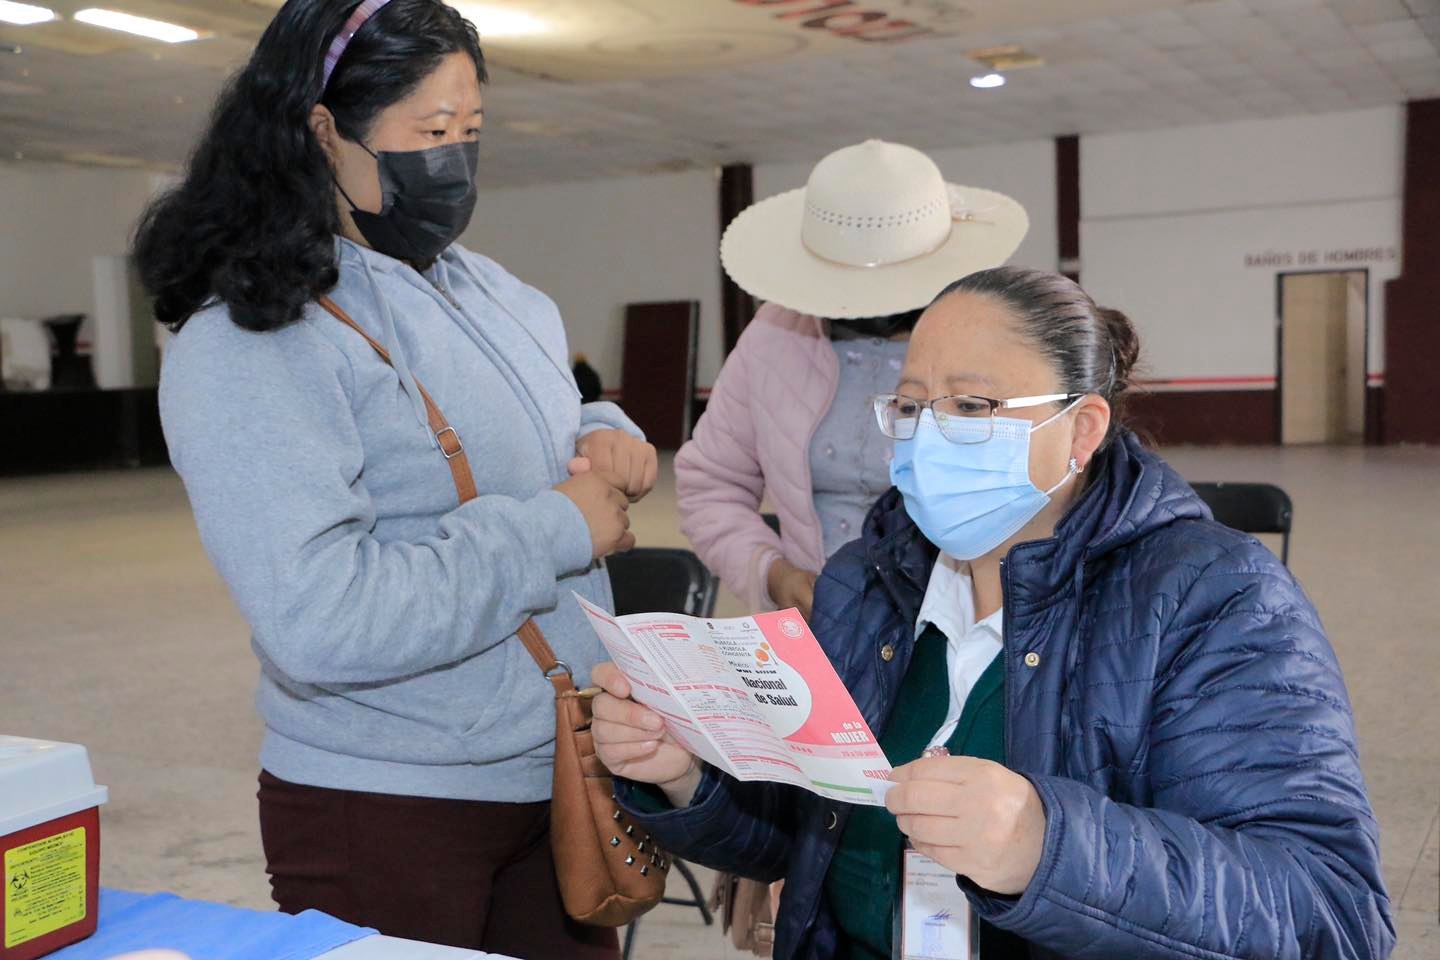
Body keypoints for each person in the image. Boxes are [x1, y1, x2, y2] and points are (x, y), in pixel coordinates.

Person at [591, 267, 1395, 959]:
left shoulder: (1210, 599)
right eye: (911, 408)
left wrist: (1049, 848)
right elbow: (812, 833)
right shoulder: (868, 583)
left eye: (973, 406)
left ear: (1081, 428)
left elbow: (1329, 910)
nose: (931, 435)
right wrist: (687, 773)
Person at [133, 1, 655, 955]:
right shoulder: (251, 340)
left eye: (472, 131)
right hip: (387, 800)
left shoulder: (494, 291)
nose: (454, 160)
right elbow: (320, 617)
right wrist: (557, 528)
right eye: (429, 132)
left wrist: (603, 430)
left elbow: (535, 416)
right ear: (321, 128)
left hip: (556, 769)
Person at [676, 139, 1028, 618]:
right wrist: (773, 574)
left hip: (972, 619)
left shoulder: (1002, 337)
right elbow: (710, 484)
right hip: (826, 625)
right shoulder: (773, 340)